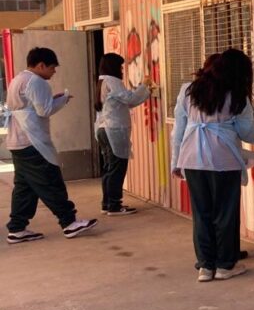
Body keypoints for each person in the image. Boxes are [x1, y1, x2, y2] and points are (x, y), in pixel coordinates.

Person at [170, 49, 254, 281]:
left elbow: (178, 131)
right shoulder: (237, 96)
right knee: (225, 212)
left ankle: (205, 266)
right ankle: (225, 265)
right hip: (223, 159)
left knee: (202, 213)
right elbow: (246, 133)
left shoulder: (188, 91)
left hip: (192, 157)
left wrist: (176, 161)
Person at [5, 47, 98, 243]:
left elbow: (32, 106)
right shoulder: (36, 82)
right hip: (32, 142)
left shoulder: (18, 79)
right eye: (52, 68)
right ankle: (69, 222)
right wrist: (62, 100)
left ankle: (17, 227)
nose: (54, 72)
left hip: (18, 141)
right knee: (50, 181)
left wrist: (53, 99)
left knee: (24, 187)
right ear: (41, 65)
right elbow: (44, 110)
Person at [94, 52, 154, 216]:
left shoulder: (101, 81)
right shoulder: (113, 81)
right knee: (117, 168)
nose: (122, 69)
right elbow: (131, 99)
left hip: (102, 129)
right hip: (114, 129)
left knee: (109, 168)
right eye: (120, 66)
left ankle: (107, 203)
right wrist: (145, 86)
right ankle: (114, 204)